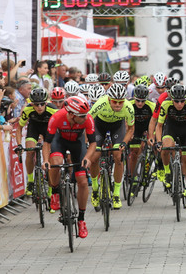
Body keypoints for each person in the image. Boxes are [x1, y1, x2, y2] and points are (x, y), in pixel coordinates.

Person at [42, 96, 96, 239]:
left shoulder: (88, 119)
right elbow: (47, 143)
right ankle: (54, 190)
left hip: (77, 145)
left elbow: (92, 144)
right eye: (82, 116)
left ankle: (81, 220)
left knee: (83, 181)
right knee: (57, 161)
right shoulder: (57, 117)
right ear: (71, 114)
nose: (85, 117)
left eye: (86, 115)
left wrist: (87, 158)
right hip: (59, 142)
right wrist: (46, 160)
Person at [89, 83, 135, 210]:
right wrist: (89, 141)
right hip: (99, 126)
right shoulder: (100, 103)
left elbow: (131, 129)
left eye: (120, 102)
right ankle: (94, 189)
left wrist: (124, 143)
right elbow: (87, 122)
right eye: (115, 102)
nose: (118, 105)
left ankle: (115, 194)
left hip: (117, 128)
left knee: (118, 156)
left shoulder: (128, 107)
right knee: (94, 158)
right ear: (109, 99)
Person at [155, 84, 186, 211]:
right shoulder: (166, 104)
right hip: (171, 128)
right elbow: (159, 126)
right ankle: (168, 172)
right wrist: (158, 141)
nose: (179, 104)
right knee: (166, 148)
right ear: (172, 99)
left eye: (182, 101)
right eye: (176, 101)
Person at [15, 88, 58, 196]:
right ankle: (30, 181)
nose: (39, 107)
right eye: (36, 104)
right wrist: (19, 145)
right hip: (34, 128)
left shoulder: (53, 109)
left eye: (42, 104)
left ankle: (50, 186)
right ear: (32, 104)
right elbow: (19, 128)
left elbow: (60, 127)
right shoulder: (27, 109)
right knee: (30, 152)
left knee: (50, 155)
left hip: (49, 128)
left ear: (46, 103)